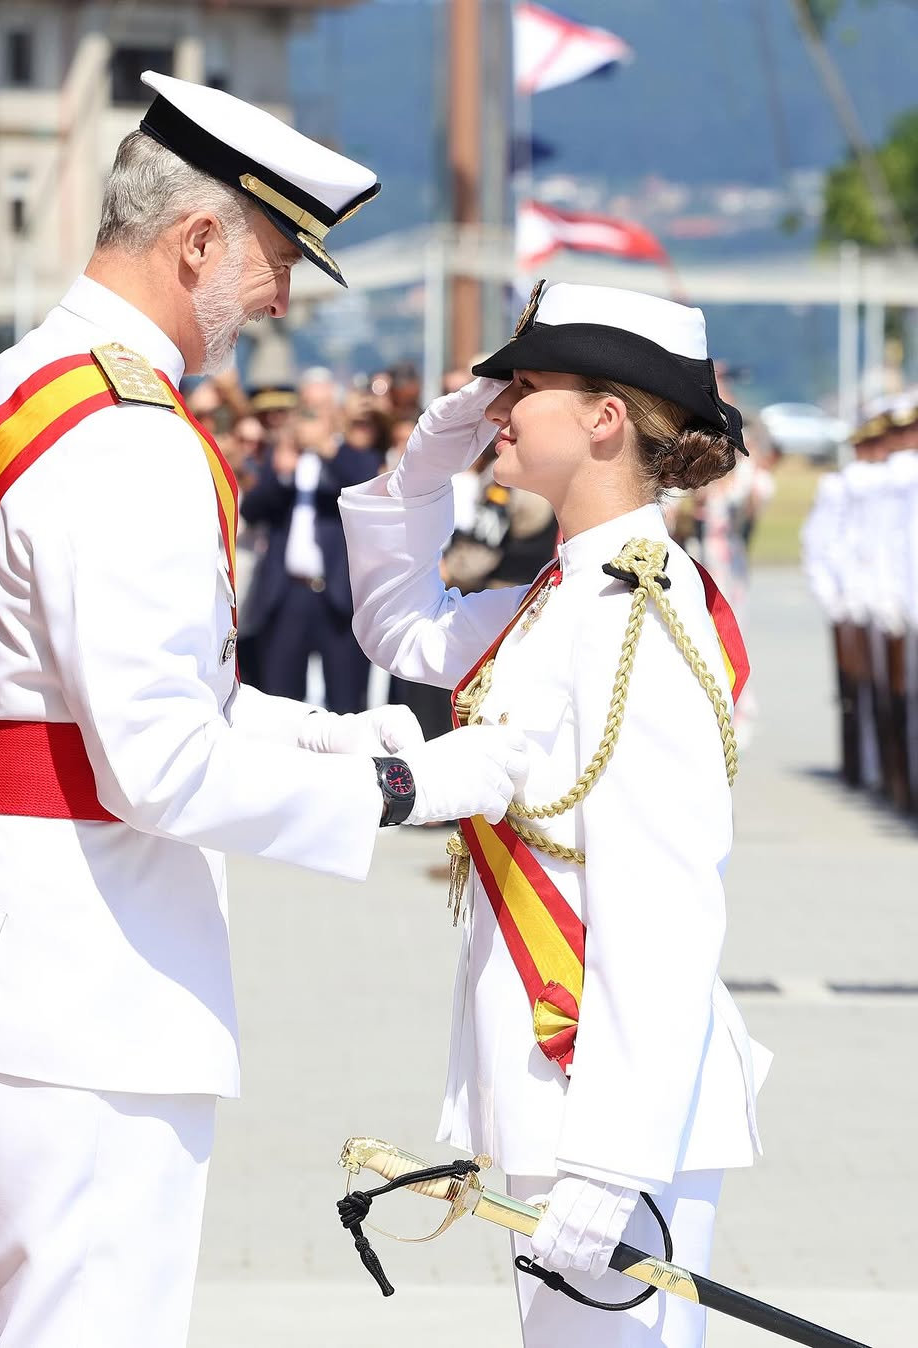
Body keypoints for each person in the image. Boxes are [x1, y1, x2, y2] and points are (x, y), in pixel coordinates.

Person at [0, 75, 527, 1348]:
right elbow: (161, 761)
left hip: (6, 938)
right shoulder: (131, 434)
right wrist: (399, 792)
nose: (282, 296)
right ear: (199, 239)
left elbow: (145, 697)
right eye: (280, 257)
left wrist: (356, 734)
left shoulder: (30, 375)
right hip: (81, 974)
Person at [340, 281, 772, 1348]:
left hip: (615, 1105)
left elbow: (666, 901)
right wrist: (429, 455)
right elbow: (399, 626)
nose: (498, 408)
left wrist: (613, 1158)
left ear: (605, 419)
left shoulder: (639, 611)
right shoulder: (561, 594)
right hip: (563, 1083)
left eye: (523, 387)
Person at [243, 407, 382, 711]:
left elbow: (367, 486)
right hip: (288, 593)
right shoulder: (283, 458)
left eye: (315, 414)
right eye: (303, 413)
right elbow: (251, 510)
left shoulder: (353, 456)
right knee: (279, 698)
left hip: (337, 597)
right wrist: (281, 475)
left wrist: (328, 451)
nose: (307, 424)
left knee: (345, 700)